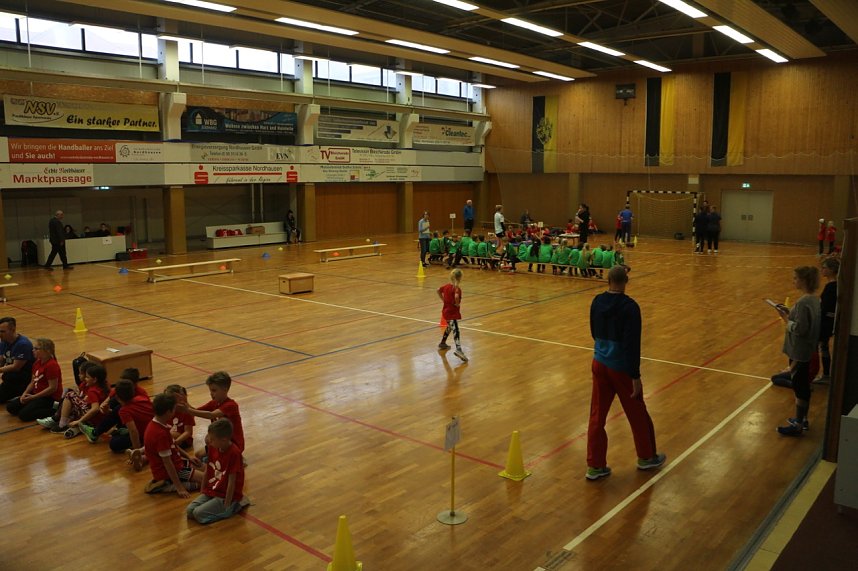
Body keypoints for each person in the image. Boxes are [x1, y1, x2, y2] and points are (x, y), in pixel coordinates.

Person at [586, 266, 665, 480]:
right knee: (637, 413)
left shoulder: (597, 301)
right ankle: (646, 457)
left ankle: (595, 465)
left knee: (597, 415)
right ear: (626, 281)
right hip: (620, 367)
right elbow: (632, 344)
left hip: (599, 362)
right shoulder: (630, 307)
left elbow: (593, 331)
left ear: (607, 280)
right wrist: (635, 376)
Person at [774, 266, 821, 436]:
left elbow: (801, 329)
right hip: (807, 349)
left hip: (799, 351)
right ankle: (802, 419)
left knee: (800, 388)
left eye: (795, 278)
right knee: (802, 386)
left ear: (803, 280)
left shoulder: (803, 302)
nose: (793, 281)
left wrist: (786, 319)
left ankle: (799, 424)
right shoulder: (814, 299)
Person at [186, 418, 249, 524]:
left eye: (212, 439)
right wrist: (203, 490)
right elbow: (208, 469)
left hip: (225, 494)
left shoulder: (234, 453)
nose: (209, 441)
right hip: (213, 489)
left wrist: (227, 504)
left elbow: (232, 482)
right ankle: (216, 505)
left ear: (223, 440)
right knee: (190, 511)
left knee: (198, 514)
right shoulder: (213, 447)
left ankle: (234, 506)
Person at [141, 393, 202, 496]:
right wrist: (179, 488)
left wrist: (188, 457)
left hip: (178, 462)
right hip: (171, 470)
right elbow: (167, 463)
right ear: (169, 412)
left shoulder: (160, 424)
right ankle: (166, 485)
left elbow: (173, 445)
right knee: (204, 481)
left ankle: (171, 482)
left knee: (205, 469)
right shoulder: (160, 434)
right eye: (174, 409)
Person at [183, 371, 245, 454]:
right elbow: (195, 411)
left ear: (225, 389)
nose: (211, 394)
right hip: (219, 442)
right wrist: (185, 402)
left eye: (214, 390)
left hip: (233, 444)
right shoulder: (214, 403)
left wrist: (187, 409)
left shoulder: (231, 405)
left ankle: (235, 457)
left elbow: (210, 415)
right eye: (210, 390)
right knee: (198, 454)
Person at [6, 337, 62, 422]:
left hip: (48, 397)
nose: (33, 350)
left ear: (46, 351)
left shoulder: (52, 365)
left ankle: (56, 411)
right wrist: (25, 393)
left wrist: (33, 397)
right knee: (11, 407)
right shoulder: (37, 362)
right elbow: (33, 381)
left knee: (24, 415)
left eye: (36, 349)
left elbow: (52, 388)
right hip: (36, 393)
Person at [110, 378, 154, 453]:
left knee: (113, 443)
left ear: (117, 397)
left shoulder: (124, 410)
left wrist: (137, 450)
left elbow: (133, 431)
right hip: (152, 429)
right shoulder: (141, 397)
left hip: (144, 434)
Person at [0, 317, 35, 403]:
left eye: (2, 331)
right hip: (11, 377)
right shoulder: (4, 342)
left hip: (22, 379)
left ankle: (21, 393)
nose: (0, 334)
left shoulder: (22, 344)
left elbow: (16, 367)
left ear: (13, 330)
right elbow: (1, 360)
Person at [815, 258, 838, 384]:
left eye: (824, 267)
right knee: (823, 347)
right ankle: (826, 374)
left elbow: (825, 308)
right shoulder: (834, 286)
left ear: (832, 270)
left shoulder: (831, 287)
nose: (822, 269)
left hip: (825, 323)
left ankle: (824, 374)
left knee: (821, 347)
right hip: (827, 321)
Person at [437, 269, 468, 362]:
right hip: (452, 312)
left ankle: (442, 343)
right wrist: (457, 303)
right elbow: (456, 297)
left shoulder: (447, 286)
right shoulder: (457, 289)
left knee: (450, 327)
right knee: (456, 329)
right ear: (460, 278)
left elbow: (438, 290)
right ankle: (459, 350)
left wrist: (443, 300)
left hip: (446, 311)